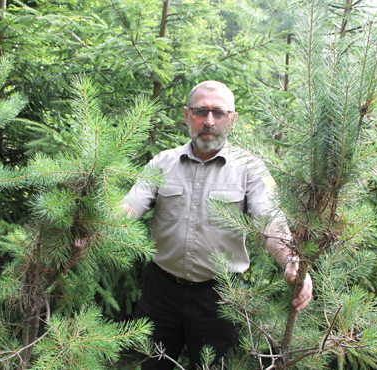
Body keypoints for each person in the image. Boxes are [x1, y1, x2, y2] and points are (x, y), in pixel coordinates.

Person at [122, 81, 313, 370]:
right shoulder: (163, 163)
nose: (209, 121)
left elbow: (270, 220)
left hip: (220, 299)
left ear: (232, 119)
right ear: (188, 115)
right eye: (201, 111)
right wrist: (89, 227)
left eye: (219, 113)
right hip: (161, 293)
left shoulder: (251, 169)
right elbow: (129, 207)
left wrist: (291, 260)